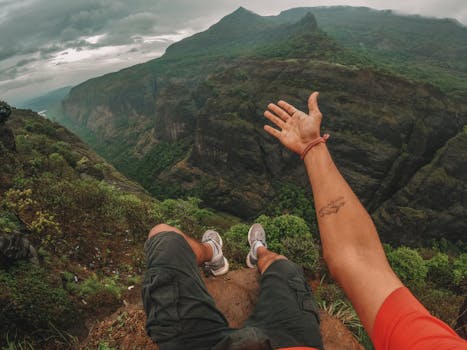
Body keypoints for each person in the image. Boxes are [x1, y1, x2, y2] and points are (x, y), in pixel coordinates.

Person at [143, 92, 467, 349]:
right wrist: (312, 146)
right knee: (281, 265)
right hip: (290, 340)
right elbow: (357, 257)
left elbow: (358, 257)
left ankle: (221, 253)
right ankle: (252, 253)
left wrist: (312, 148)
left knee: (162, 234)